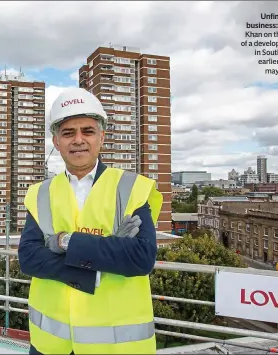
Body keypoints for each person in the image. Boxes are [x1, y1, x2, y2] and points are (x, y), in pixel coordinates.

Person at [18, 87, 163, 354]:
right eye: (68, 133)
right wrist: (102, 257)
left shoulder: (131, 188)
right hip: (51, 345)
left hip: (116, 347)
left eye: (87, 131)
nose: (78, 140)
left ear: (101, 138)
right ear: (56, 141)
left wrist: (63, 241)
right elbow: (28, 257)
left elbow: (141, 257)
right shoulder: (40, 194)